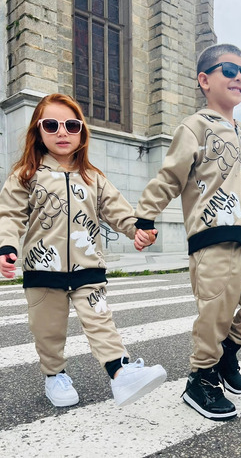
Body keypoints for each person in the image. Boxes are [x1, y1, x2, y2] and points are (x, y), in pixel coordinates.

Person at [134, 44, 241, 421]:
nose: (239, 79)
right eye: (229, 70)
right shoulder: (195, 127)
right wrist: (145, 218)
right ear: (204, 80)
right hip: (212, 241)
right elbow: (170, 177)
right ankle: (200, 379)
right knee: (214, 313)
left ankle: (226, 353)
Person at [0, 93, 166, 408]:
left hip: (88, 265)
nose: (62, 132)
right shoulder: (25, 175)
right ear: (38, 131)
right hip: (42, 268)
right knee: (47, 329)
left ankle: (121, 373)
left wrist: (137, 230)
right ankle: (54, 375)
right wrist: (6, 245)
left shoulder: (93, 178)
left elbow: (119, 211)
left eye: (71, 125)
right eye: (51, 125)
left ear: (81, 132)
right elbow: (9, 215)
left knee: (101, 319)